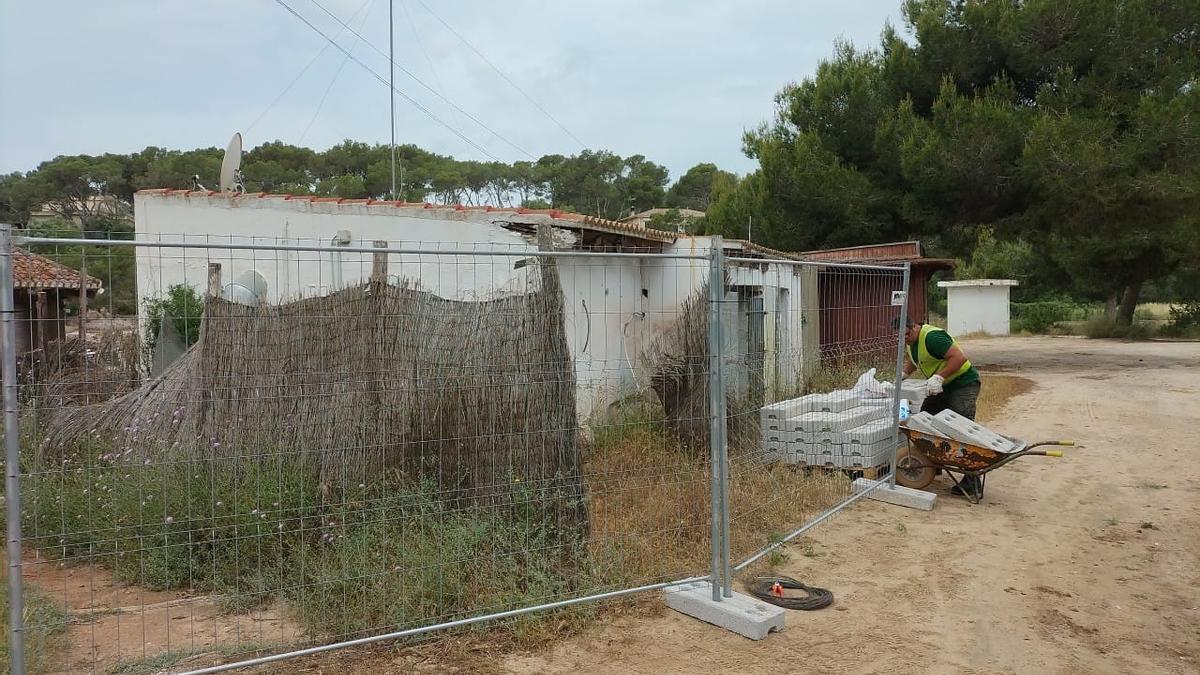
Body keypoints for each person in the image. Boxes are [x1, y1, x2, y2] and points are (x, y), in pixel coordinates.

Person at [895, 316, 983, 498]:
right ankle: (932, 467)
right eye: (900, 337)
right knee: (924, 422)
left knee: (961, 431)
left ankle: (972, 483)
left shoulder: (932, 337)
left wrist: (939, 377)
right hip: (942, 388)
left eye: (906, 335)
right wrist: (902, 375)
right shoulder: (913, 342)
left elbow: (959, 357)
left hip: (962, 384)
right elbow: (916, 360)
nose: (904, 340)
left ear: (914, 327)